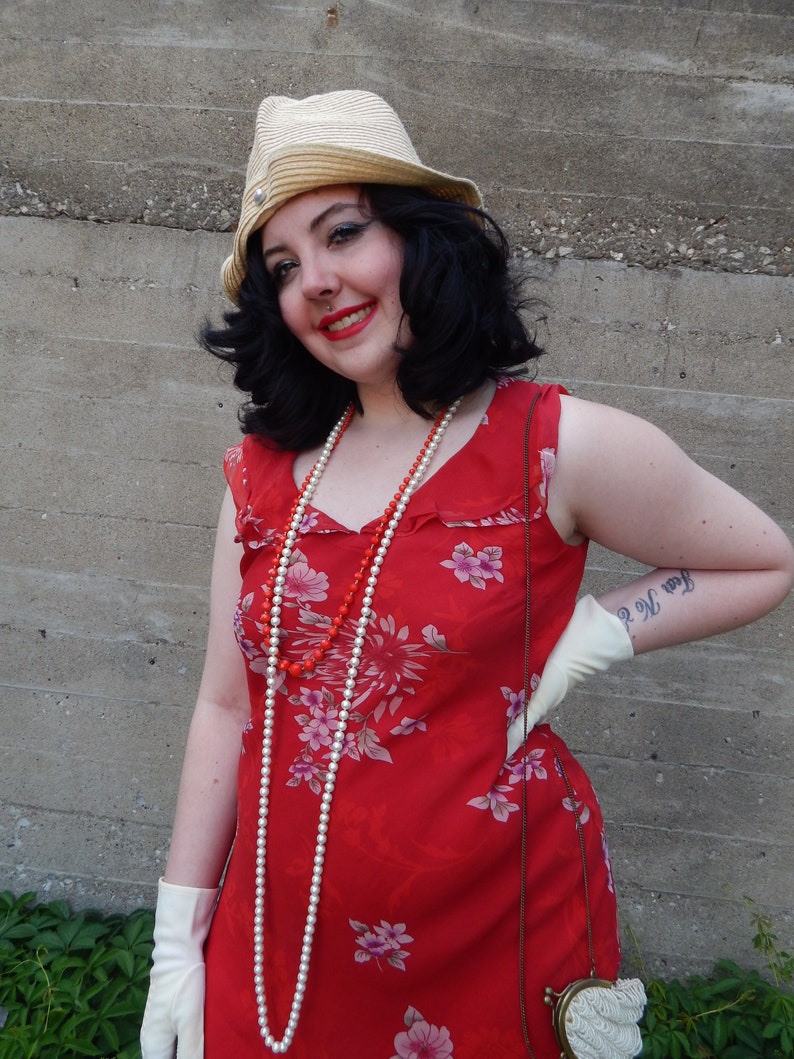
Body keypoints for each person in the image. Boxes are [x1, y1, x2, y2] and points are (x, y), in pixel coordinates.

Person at [139, 90, 793, 1059]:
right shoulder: (260, 474)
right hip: (281, 939)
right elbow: (224, 710)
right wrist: (174, 937)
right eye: (284, 265)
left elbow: (757, 559)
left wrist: (597, 632)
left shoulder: (553, 444)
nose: (316, 280)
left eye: (343, 233)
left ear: (418, 240)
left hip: (493, 932)